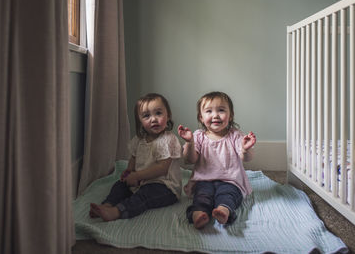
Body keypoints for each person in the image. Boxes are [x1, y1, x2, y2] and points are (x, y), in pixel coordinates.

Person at [90, 93, 182, 221]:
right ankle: (107, 205)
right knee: (120, 186)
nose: (153, 119)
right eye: (146, 116)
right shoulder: (139, 140)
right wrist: (129, 171)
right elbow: (134, 157)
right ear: (140, 120)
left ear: (168, 115)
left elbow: (162, 168)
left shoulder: (168, 140)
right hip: (141, 182)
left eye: (158, 113)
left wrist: (137, 176)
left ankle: (117, 211)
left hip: (165, 187)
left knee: (143, 196)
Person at [177, 91, 256, 229]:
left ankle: (223, 211)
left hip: (230, 180)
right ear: (201, 117)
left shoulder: (235, 136)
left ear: (230, 115)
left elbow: (247, 158)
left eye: (221, 110)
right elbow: (190, 159)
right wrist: (189, 143)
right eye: (209, 111)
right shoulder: (198, 136)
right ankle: (199, 214)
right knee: (202, 196)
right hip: (204, 180)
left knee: (228, 195)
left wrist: (245, 149)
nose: (215, 115)